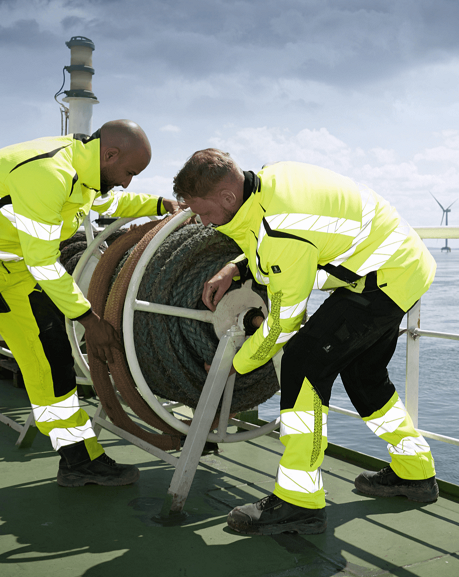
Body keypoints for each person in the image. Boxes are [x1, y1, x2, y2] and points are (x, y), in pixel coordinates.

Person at [0, 120, 177, 524]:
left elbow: (107, 206)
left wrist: (159, 205)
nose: (129, 183)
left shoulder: (84, 172)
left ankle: (79, 460)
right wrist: (88, 318)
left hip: (16, 267)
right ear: (110, 155)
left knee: (53, 368)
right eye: (130, 173)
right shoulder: (47, 172)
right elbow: (45, 261)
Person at [173, 149, 437, 536]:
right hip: (401, 266)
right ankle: (416, 473)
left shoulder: (281, 225)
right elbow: (266, 238)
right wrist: (235, 267)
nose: (203, 222)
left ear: (228, 198)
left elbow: (284, 323)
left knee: (303, 362)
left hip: (385, 276)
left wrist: (237, 363)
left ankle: (299, 501)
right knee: (365, 377)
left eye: (206, 212)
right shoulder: (264, 185)